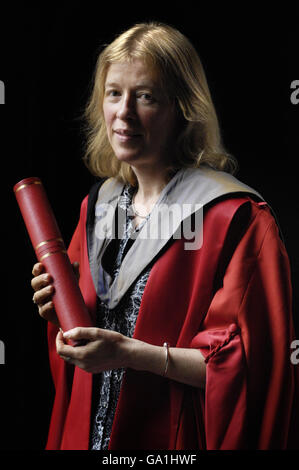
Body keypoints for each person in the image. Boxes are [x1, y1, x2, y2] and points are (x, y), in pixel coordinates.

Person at [31, 22, 299, 450]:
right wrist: (58, 314)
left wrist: (132, 354)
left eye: (146, 96)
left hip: (169, 440)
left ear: (182, 108)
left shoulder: (235, 218)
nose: (124, 112)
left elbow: (249, 368)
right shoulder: (99, 206)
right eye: (114, 93)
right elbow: (86, 339)